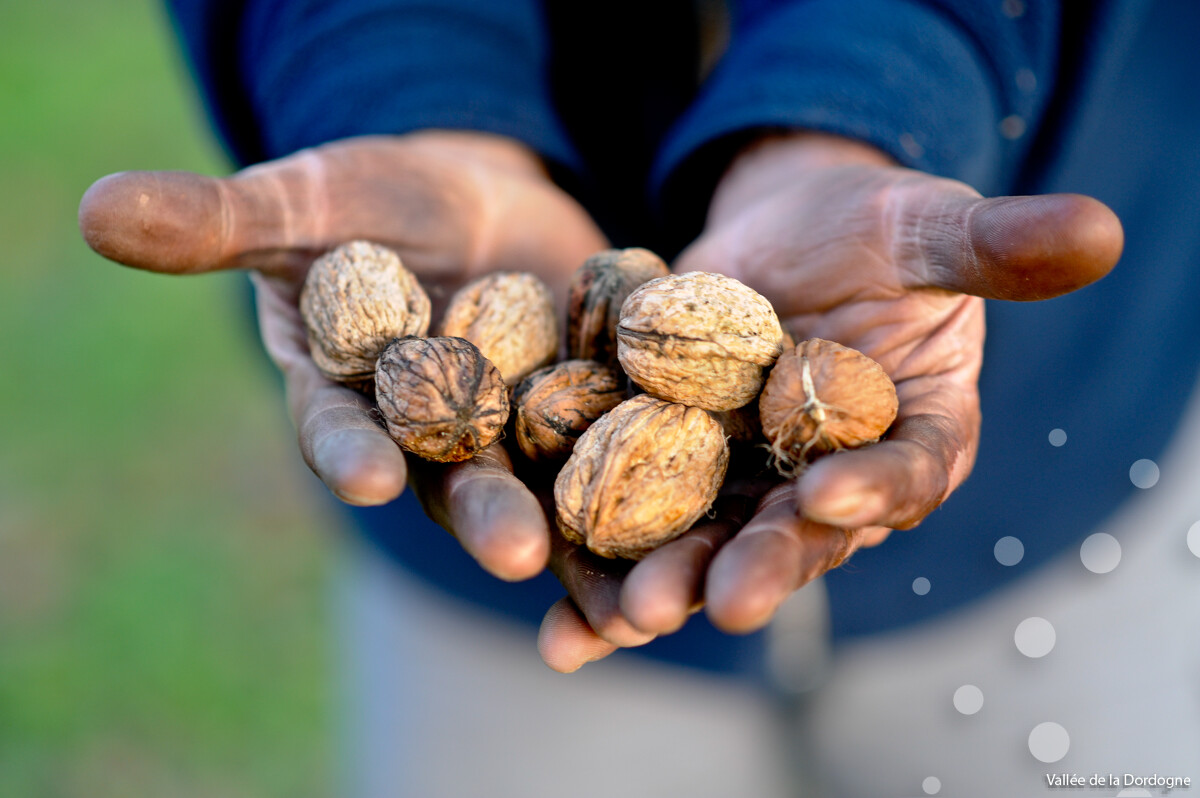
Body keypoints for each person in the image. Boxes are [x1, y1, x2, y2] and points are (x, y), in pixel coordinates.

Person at [79, 1, 1200, 795]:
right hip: (489, 614)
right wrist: (396, 85)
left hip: (1068, 477)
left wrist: (878, 90)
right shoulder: (563, 374)